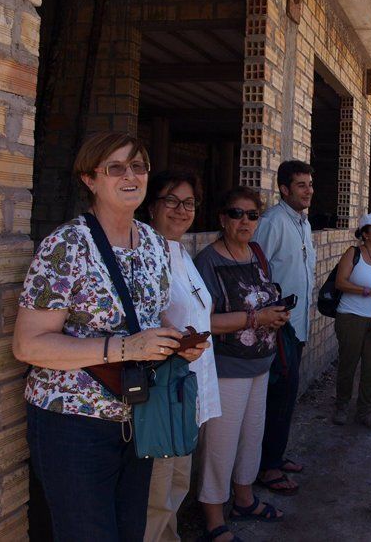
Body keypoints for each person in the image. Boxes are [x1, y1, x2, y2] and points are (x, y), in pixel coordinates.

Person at [13, 132, 205, 542]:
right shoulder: (66, 245)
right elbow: (28, 344)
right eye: (115, 168)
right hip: (72, 423)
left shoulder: (154, 243)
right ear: (90, 179)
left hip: (136, 417)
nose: (130, 176)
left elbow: (154, 315)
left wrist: (179, 342)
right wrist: (126, 347)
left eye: (138, 166)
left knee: (130, 532)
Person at [195, 186, 290, 542]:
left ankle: (245, 499)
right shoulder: (208, 261)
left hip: (260, 365)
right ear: (223, 219)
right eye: (236, 214)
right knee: (220, 445)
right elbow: (205, 322)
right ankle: (214, 518)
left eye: (252, 215)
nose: (245, 221)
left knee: (251, 438)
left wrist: (275, 315)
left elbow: (265, 299)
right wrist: (257, 318)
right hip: (227, 368)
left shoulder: (256, 253)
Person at [143, 170, 221, 542]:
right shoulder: (144, 253)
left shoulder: (181, 251)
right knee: (156, 498)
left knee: (176, 488)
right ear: (151, 205)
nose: (181, 209)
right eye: (171, 201)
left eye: (188, 203)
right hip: (161, 397)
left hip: (187, 394)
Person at [251, 159, 315, 494]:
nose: (308, 191)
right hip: (275, 328)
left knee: (287, 397)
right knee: (276, 397)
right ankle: (267, 468)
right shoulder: (273, 222)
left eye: (310, 184)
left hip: (297, 326)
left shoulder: (303, 224)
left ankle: (276, 455)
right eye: (301, 185)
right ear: (284, 189)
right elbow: (257, 270)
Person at [331, 212, 371, 429]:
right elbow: (340, 282)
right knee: (348, 363)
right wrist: (365, 290)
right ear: (365, 234)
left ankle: (364, 411)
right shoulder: (353, 253)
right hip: (350, 317)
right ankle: (341, 407)